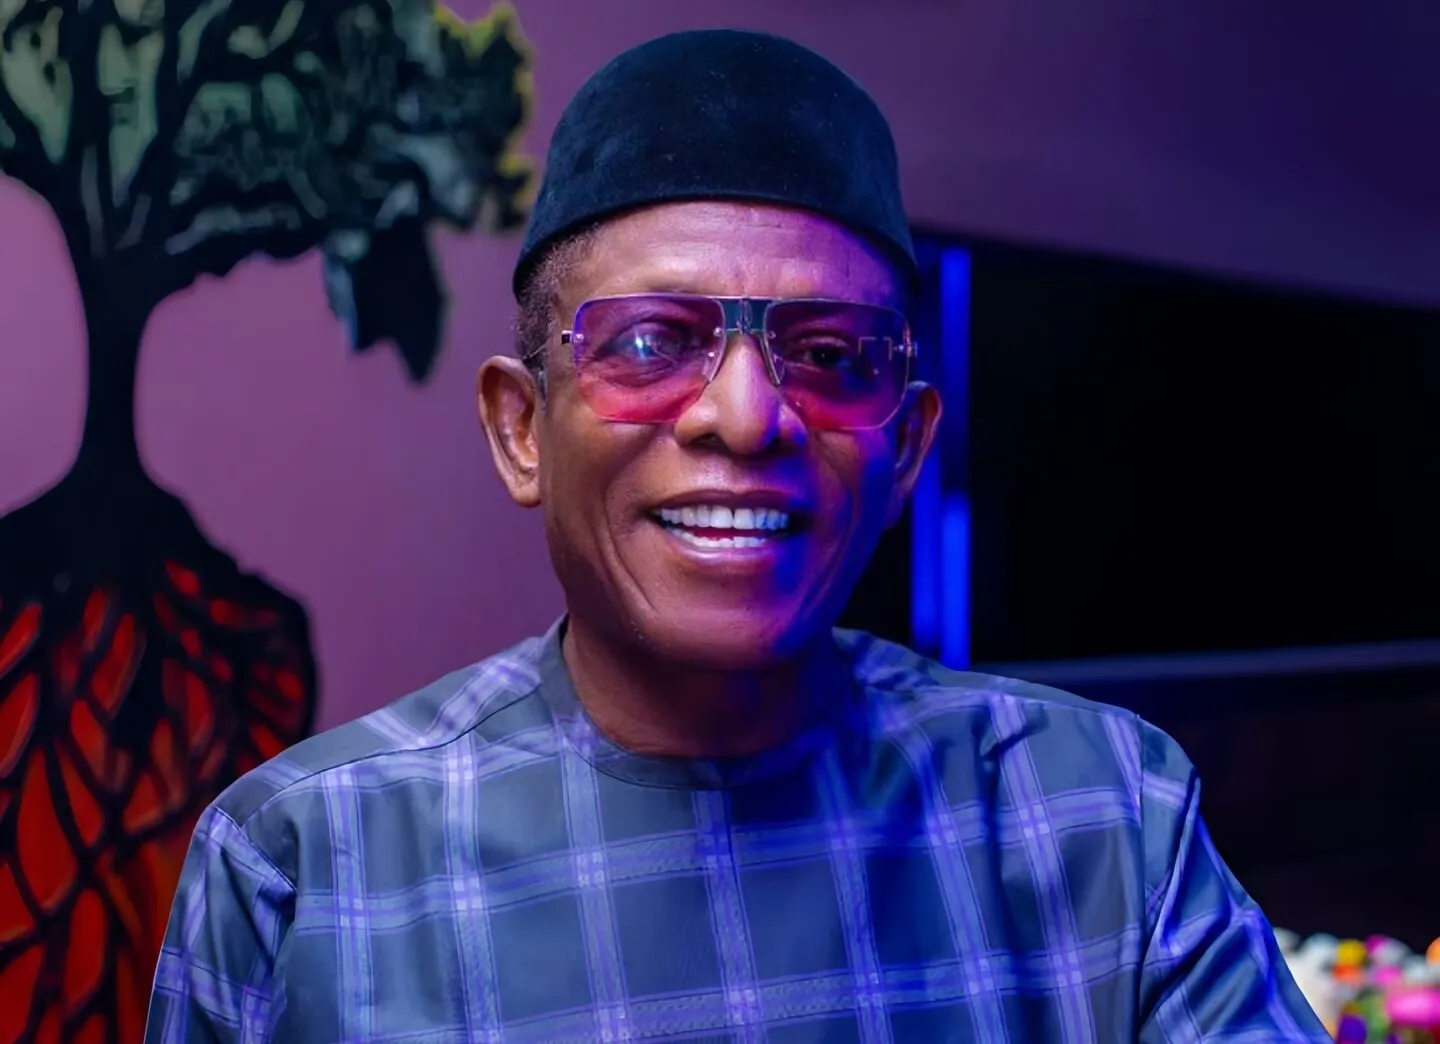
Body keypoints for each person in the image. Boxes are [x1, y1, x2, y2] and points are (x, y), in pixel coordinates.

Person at [144, 29, 1328, 1043]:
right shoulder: (305, 864)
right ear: (521, 429)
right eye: (650, 341)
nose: (747, 416)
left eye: (829, 353)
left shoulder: (1101, 816)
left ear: (906, 448)